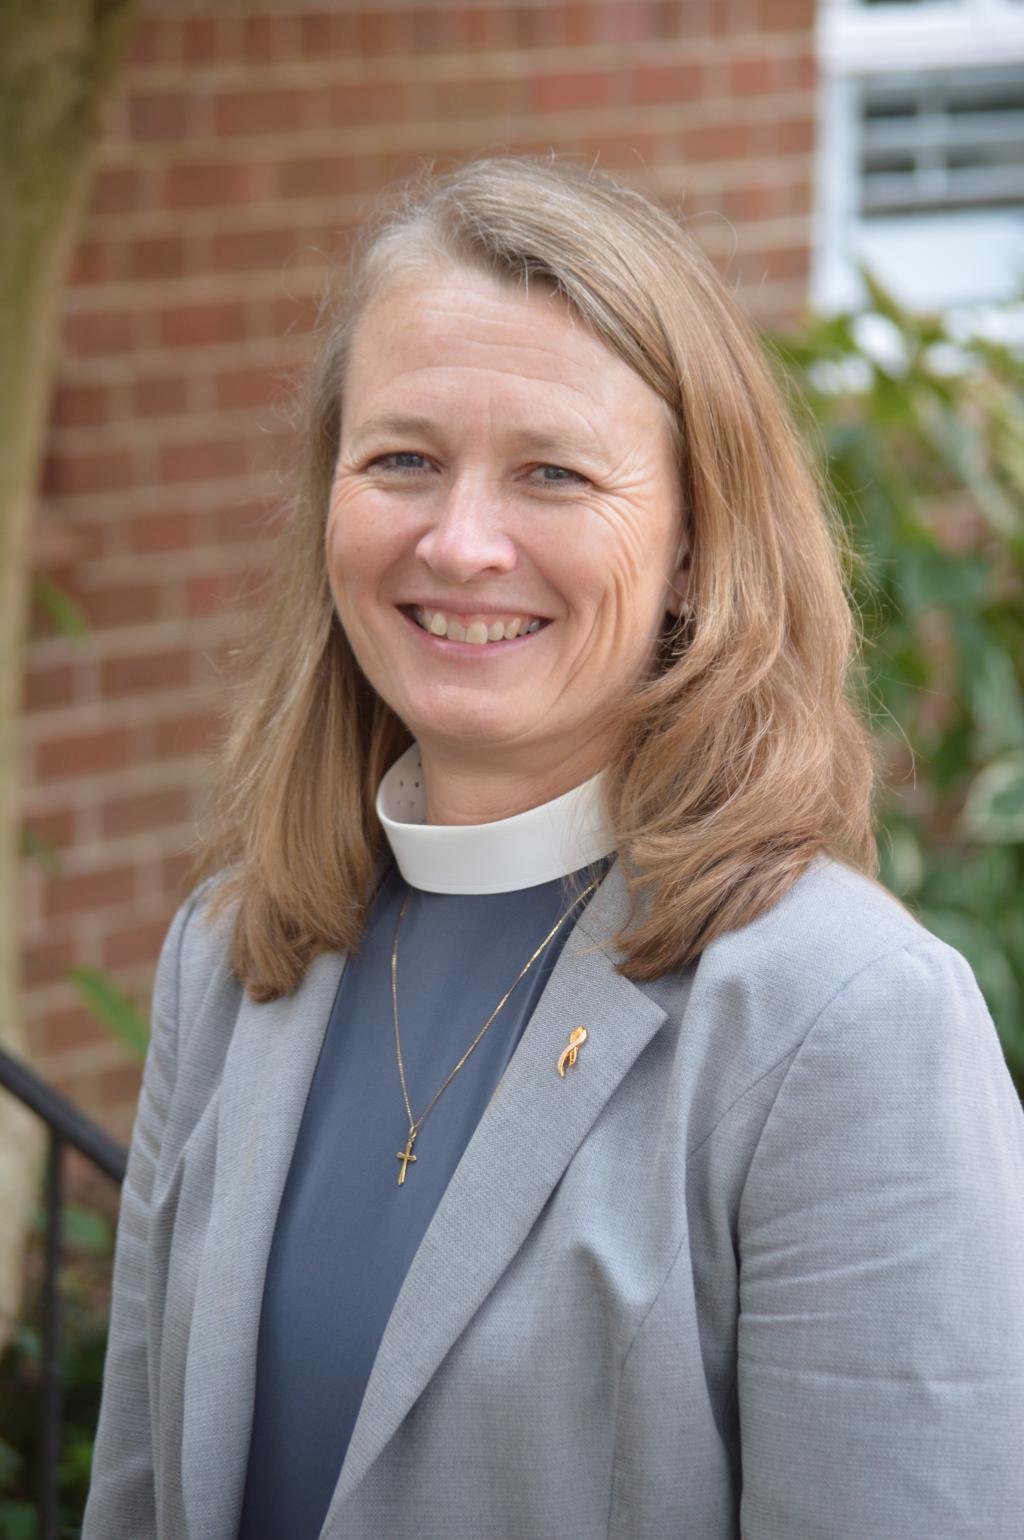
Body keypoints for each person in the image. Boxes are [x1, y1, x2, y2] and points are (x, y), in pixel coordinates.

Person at [82, 156, 1024, 1540]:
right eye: (402, 458)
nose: (461, 542)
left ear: (700, 548)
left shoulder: (847, 1023)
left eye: (554, 473)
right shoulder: (229, 961)